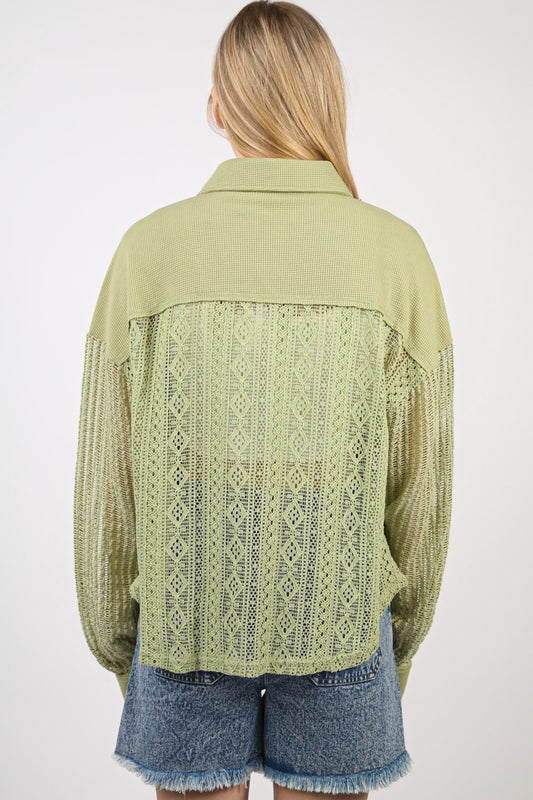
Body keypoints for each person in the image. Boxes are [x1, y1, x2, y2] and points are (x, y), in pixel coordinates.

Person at [73, 2, 454, 799]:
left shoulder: (150, 249)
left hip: (181, 623)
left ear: (218, 106)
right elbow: (422, 486)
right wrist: (397, 634)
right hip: (345, 624)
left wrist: (122, 642)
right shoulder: (394, 252)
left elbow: (109, 480)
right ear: (328, 100)